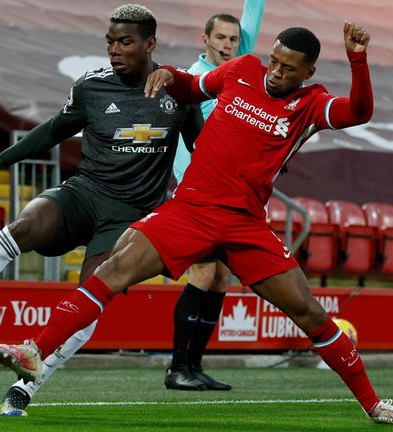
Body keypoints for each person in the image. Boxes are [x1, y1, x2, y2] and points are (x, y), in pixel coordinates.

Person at [0, 22, 393, 426]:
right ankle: (35, 351)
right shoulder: (240, 70)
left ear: (307, 71)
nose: (275, 73)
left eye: (288, 68)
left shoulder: (310, 104)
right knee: (113, 270)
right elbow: (193, 86)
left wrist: (358, 59)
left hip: (245, 224)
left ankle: (375, 407)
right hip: (192, 209)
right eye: (274, 61)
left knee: (309, 312)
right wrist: (169, 77)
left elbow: (359, 112)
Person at [0, 4, 203, 417]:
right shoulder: (91, 87)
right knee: (23, 226)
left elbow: (204, 153)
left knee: (91, 294)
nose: (114, 50)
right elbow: (52, 130)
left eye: (125, 42)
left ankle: (24, 388)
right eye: (109, 41)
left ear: (149, 43)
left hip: (132, 215)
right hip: (85, 193)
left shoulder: (180, 94)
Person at [165, 0, 264, 392]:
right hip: (198, 192)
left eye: (234, 39)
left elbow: (253, 13)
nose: (228, 44)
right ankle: (176, 368)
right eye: (220, 37)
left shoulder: (237, 69)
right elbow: (182, 142)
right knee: (203, 273)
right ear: (204, 39)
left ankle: (194, 366)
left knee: (221, 278)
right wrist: (187, 185)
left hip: (229, 192)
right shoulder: (196, 79)